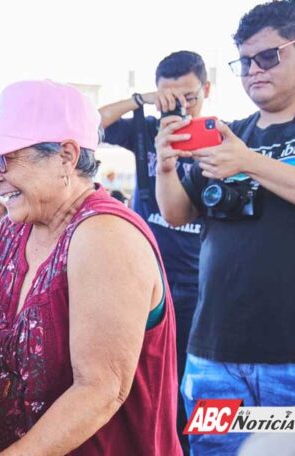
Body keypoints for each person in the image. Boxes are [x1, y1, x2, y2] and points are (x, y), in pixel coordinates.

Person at [0, 80, 181, 455]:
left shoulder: (104, 234)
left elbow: (100, 390)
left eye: (5, 158)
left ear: (66, 156)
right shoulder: (13, 229)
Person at [154, 1, 295, 454]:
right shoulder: (231, 133)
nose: (253, 70)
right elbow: (177, 214)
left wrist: (248, 163)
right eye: (243, 62)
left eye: (267, 57)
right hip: (214, 354)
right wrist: (167, 167)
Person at [99, 50, 210, 453]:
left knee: (192, 377)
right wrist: (140, 102)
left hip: (200, 280)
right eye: (170, 99)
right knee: (142, 374)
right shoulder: (145, 129)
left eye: (189, 99)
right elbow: (87, 125)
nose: (179, 110)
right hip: (147, 275)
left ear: (207, 91)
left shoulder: (223, 136)